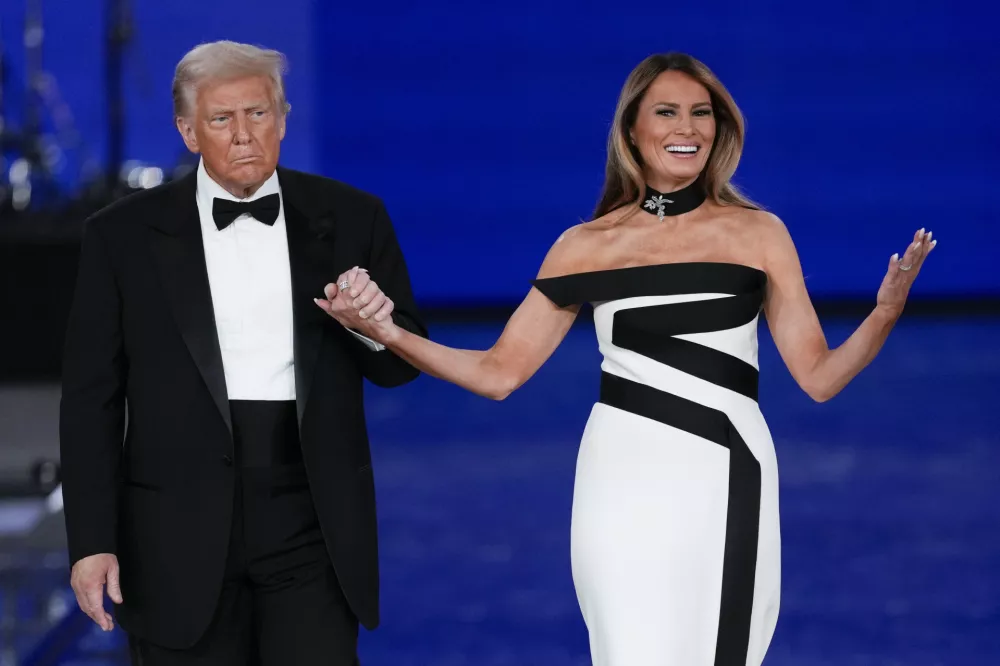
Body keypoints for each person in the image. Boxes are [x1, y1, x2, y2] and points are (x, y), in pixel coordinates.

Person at [317, 52, 936, 665]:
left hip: (726, 476)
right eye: (666, 112)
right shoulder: (585, 246)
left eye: (701, 114)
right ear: (632, 131)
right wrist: (386, 331)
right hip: (619, 478)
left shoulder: (759, 233)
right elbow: (498, 373)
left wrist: (884, 312)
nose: (686, 129)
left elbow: (819, 378)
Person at [59, 40, 425, 665]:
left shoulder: (352, 218)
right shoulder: (120, 236)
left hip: (312, 518)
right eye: (221, 119)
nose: (244, 135)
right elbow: (91, 398)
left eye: (258, 114)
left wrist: (372, 326)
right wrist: (91, 541)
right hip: (173, 526)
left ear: (282, 119)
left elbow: (397, 368)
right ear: (188, 131)